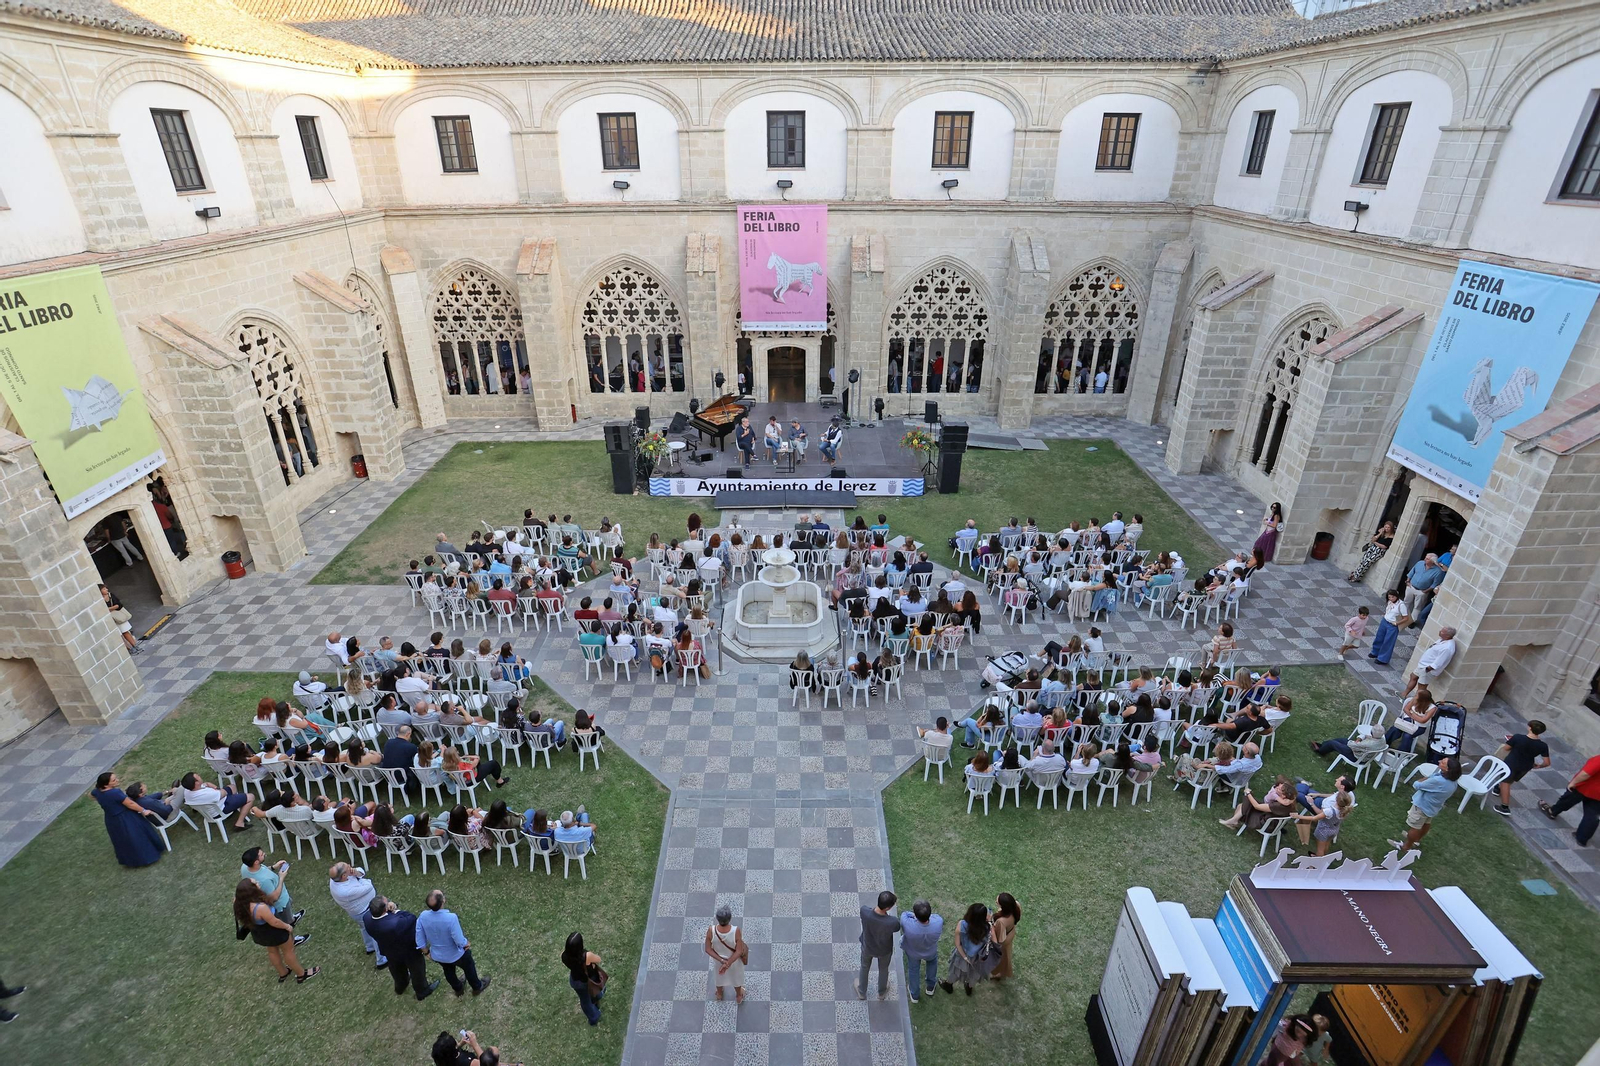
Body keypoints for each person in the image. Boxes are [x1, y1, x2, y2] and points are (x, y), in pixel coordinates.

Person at [235, 879, 318, 984]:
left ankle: (283, 973)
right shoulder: (260, 908)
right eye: (255, 883)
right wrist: (287, 927)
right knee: (289, 951)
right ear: (251, 890)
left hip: (259, 933)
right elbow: (274, 922)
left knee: (272, 951)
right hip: (274, 932)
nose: (258, 882)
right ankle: (301, 974)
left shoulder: (238, 902)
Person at [417, 889, 491, 997]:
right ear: (443, 901)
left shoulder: (423, 916)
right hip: (457, 954)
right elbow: (458, 939)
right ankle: (477, 987)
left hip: (438, 955)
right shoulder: (451, 918)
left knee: (448, 971)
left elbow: (419, 938)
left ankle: (458, 989)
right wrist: (466, 944)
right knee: (469, 967)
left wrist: (427, 952)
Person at [365, 895, 439, 1000]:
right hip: (408, 951)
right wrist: (395, 909)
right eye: (388, 902)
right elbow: (411, 917)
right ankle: (422, 991)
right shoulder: (397, 923)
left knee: (396, 970)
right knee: (417, 970)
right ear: (385, 909)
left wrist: (389, 911)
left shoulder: (367, 918)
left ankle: (400, 987)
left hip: (389, 951)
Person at [90, 771, 163, 868]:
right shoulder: (115, 792)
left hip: (111, 818)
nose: (117, 780)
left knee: (123, 840)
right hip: (126, 817)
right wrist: (143, 810)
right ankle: (147, 857)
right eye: (114, 780)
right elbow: (130, 804)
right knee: (137, 836)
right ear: (106, 784)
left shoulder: (97, 791)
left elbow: (91, 796)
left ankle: (131, 860)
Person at [1394, 756, 1463, 855]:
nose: (1439, 761)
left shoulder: (1439, 781)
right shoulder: (1453, 782)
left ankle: (1407, 845)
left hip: (1422, 806)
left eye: (1442, 762)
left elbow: (1417, 785)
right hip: (1432, 808)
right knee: (1426, 823)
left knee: (1415, 826)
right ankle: (1417, 840)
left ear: (1448, 769)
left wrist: (1424, 778)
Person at [1538, 749, 1600, 847]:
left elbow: (1585, 774)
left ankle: (1553, 812)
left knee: (1567, 800)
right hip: (1598, 795)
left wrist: (1573, 782)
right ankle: (1582, 838)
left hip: (1584, 787)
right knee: (1592, 815)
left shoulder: (1598, 760)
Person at [328, 862, 386, 967]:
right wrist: (360, 877)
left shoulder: (336, 878)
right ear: (344, 876)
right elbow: (368, 885)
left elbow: (361, 871)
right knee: (376, 933)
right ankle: (381, 960)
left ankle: (370, 947)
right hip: (363, 911)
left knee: (364, 928)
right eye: (348, 867)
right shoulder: (344, 891)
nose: (351, 866)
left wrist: (356, 872)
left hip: (358, 912)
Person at [1491, 720, 1551, 815]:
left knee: (1505, 782)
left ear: (1530, 728)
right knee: (1511, 780)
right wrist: (1539, 766)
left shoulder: (1518, 737)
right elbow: (1547, 762)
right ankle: (1498, 788)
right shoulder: (1543, 746)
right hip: (1526, 766)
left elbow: (1506, 748)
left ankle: (1505, 807)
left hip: (1512, 763)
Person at [241, 846, 305, 931]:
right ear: (256, 862)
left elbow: (261, 870)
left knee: (288, 912)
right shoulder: (264, 881)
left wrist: (273, 867)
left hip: (282, 900)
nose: (264, 853)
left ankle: (291, 917)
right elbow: (274, 897)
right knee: (287, 923)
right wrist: (281, 878)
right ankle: (291, 937)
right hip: (281, 904)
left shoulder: (245, 867)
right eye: (261, 854)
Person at [939, 902, 991, 996]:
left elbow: (958, 944)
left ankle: (948, 985)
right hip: (977, 958)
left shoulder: (962, 924)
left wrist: (965, 957)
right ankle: (969, 988)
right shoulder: (987, 929)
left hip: (961, 955)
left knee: (955, 972)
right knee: (973, 975)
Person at [856, 889, 899, 1001]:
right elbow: (897, 928)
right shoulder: (892, 922)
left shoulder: (864, 912)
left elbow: (869, 909)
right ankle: (881, 993)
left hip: (867, 947)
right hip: (884, 950)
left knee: (864, 967)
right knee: (883, 969)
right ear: (888, 908)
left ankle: (862, 992)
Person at [899, 899, 943, 1004]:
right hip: (930, 951)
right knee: (932, 964)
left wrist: (913, 915)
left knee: (913, 970)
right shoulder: (938, 922)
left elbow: (904, 914)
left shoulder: (907, 923)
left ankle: (914, 994)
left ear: (915, 914)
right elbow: (936, 916)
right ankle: (930, 987)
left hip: (913, 952)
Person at [1218, 775, 1297, 831]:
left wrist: (1248, 793)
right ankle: (1234, 821)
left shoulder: (1278, 805)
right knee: (1241, 805)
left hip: (1267, 823)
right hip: (1270, 816)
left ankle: (1234, 821)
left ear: (1283, 796)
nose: (1276, 788)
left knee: (1246, 802)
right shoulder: (1289, 800)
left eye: (1278, 790)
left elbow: (1257, 806)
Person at [703, 903, 747, 1004]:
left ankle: (719, 994)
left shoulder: (711, 930)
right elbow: (739, 950)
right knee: (736, 978)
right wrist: (728, 963)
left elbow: (708, 949)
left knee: (719, 976)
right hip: (734, 961)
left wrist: (722, 961)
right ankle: (739, 996)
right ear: (729, 918)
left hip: (719, 960)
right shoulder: (735, 931)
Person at [561, 932, 606, 1025]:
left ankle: (593, 1017)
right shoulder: (586, 956)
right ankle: (597, 999)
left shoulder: (564, 956)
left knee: (585, 1000)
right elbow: (598, 959)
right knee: (594, 989)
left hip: (575, 981)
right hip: (589, 978)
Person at [1402, 626, 1458, 698]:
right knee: (1413, 676)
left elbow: (1438, 663)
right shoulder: (1442, 640)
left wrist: (1427, 670)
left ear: (1447, 636)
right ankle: (1404, 694)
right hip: (1423, 665)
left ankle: (1415, 703)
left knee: (1421, 688)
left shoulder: (1447, 648)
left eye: (1442, 631)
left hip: (1428, 669)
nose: (1440, 631)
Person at [1309, 723, 1387, 764]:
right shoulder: (1382, 740)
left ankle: (1320, 751)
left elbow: (1352, 745)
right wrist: (1360, 738)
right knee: (1342, 740)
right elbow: (1367, 737)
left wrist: (1357, 741)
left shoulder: (1368, 744)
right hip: (1362, 753)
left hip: (1355, 756)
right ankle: (1323, 746)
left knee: (1333, 743)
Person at [1368, 590, 1409, 665]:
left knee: (1388, 641)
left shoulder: (1401, 605)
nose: (1391, 598)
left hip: (1392, 625)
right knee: (1379, 637)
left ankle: (1383, 659)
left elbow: (1406, 618)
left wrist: (1397, 623)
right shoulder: (1390, 602)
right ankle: (1375, 652)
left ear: (1396, 596)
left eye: (1392, 597)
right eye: (1389, 597)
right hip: (1385, 621)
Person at [989, 892, 1021, 982]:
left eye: (997, 901)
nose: (996, 901)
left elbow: (1001, 940)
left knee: (1002, 958)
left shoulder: (1001, 921)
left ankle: (999, 973)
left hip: (1004, 941)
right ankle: (1002, 972)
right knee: (1007, 955)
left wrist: (991, 925)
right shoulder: (1016, 906)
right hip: (1010, 933)